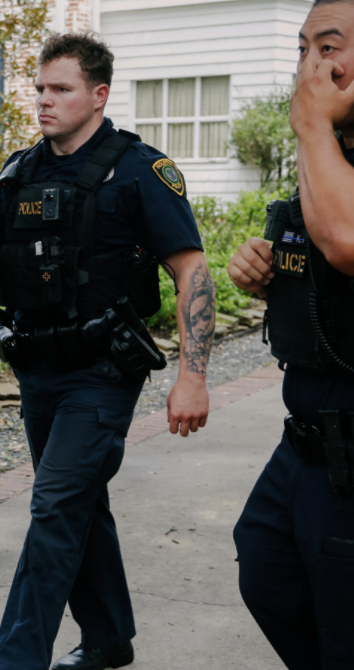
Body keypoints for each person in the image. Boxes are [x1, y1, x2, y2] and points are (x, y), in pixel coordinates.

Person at [0, 32, 214, 670]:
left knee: (53, 506)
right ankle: (108, 638)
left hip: (103, 373)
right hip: (38, 370)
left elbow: (193, 272)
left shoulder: (140, 171)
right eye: (40, 89)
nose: (44, 102)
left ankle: (14, 661)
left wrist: (192, 377)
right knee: (78, 501)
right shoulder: (20, 169)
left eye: (61, 90)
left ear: (99, 94)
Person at [228, 2, 354, 667]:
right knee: (268, 569)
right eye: (304, 48)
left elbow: (346, 240)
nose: (311, 67)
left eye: (329, 47)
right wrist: (268, 266)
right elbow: (316, 247)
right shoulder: (329, 152)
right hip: (305, 448)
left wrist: (309, 123)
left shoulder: (318, 134)